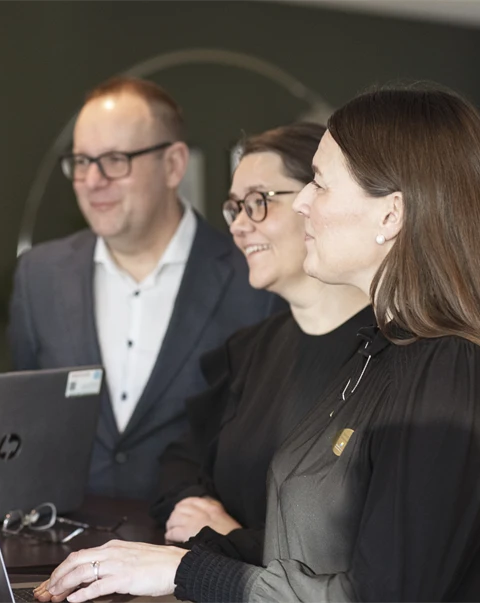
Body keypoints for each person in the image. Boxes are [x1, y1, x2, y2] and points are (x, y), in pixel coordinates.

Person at [35, 85, 480, 602]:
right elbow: (320, 551)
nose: (305, 203)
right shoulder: (377, 353)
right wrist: (165, 557)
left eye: (320, 184)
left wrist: (184, 572)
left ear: (391, 214)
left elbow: (383, 593)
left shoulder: (450, 367)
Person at [8, 76, 281, 500]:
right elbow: (25, 419)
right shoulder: (39, 275)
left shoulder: (254, 277)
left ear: (173, 165)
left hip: (192, 551)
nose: (92, 180)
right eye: (81, 161)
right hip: (64, 546)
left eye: (115, 159)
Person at [149, 123, 372, 562]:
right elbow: (179, 465)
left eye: (258, 203)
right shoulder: (249, 350)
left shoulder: (395, 354)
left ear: (319, 200)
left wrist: (231, 537)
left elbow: (362, 551)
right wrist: (202, 510)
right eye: (235, 209)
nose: (239, 227)